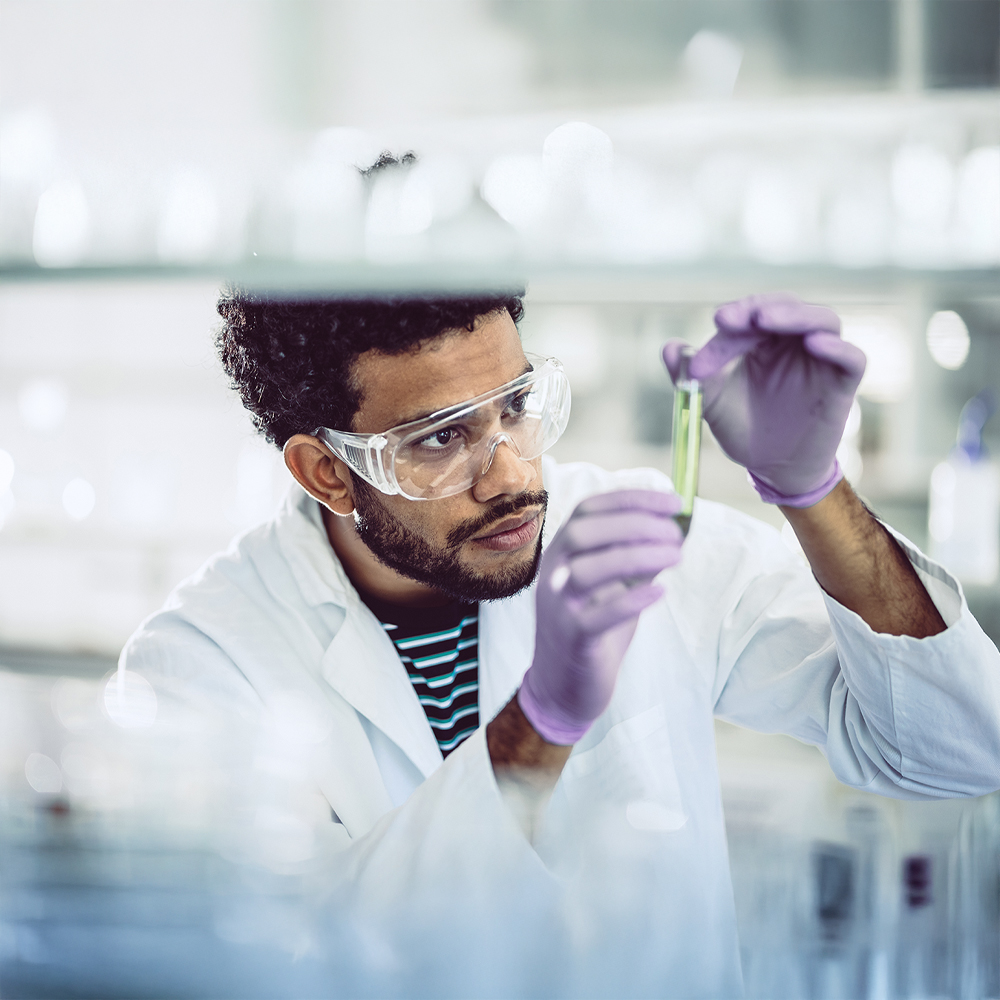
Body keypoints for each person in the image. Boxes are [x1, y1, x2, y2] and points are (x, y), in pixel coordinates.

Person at [120, 286, 1000, 997]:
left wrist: (812, 487)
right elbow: (284, 969)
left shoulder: (632, 532)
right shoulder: (201, 664)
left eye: (514, 408)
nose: (510, 472)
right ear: (326, 472)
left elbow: (957, 750)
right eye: (440, 438)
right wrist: (541, 717)